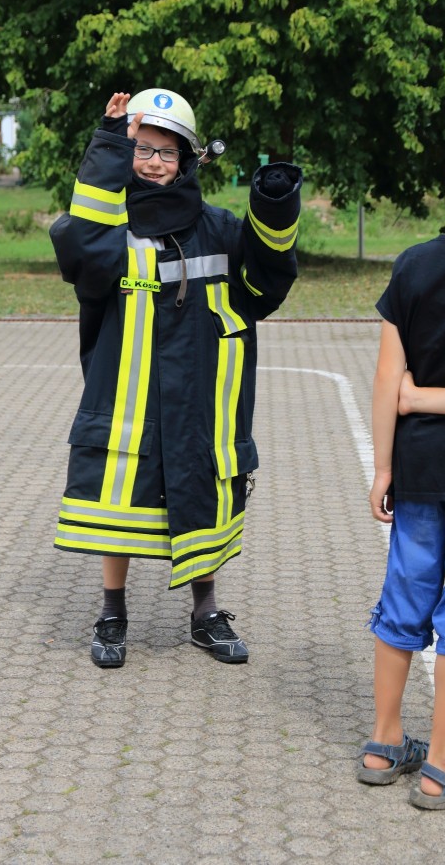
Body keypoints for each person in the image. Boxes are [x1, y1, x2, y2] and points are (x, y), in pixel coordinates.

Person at [50, 88, 301, 668]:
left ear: (187, 159)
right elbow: (79, 251)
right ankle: (112, 613)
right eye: (142, 149)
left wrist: (274, 206)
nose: (154, 162)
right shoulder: (109, 228)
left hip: (203, 404)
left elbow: (265, 287)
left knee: (202, 500)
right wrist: (108, 144)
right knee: (118, 508)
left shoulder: (218, 229)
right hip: (128, 401)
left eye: (167, 151)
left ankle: (205, 615)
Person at [358, 110, 445, 809]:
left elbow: (389, 379)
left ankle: (384, 743)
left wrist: (384, 465)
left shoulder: (413, 263)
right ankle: (443, 764)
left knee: (404, 594)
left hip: (416, 468)